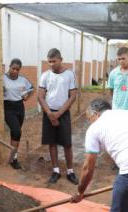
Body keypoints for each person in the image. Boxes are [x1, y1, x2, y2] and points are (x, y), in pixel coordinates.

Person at [38, 48, 78, 184]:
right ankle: (56, 170)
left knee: (67, 143)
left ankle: (70, 171)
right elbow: (40, 96)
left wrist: (59, 114)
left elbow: (72, 96)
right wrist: (49, 114)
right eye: (49, 62)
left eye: (53, 61)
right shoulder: (45, 75)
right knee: (52, 143)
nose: (51, 64)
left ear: (61, 59)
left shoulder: (69, 75)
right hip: (48, 113)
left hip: (63, 113)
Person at [1, 58, 34, 169]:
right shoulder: (2, 78)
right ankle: (14, 158)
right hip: (8, 108)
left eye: (17, 69)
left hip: (20, 107)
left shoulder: (22, 79)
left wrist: (27, 96)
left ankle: (12, 157)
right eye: (13, 68)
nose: (15, 71)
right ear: (9, 67)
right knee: (17, 131)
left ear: (20, 70)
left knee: (15, 134)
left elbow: (32, 88)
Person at [107, 47, 128, 112]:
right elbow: (111, 90)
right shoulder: (113, 73)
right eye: (119, 59)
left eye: (123, 58)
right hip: (116, 110)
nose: (121, 61)